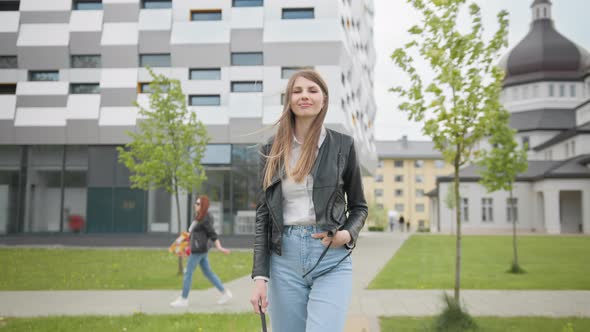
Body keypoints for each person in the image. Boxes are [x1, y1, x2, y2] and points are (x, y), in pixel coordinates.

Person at [250, 69, 368, 332]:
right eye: (297, 90)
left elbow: (359, 206)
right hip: (284, 261)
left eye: (312, 90)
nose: (305, 96)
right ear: (289, 100)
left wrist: (346, 235)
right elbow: (264, 217)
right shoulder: (271, 150)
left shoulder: (343, 145)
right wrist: (260, 278)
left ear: (324, 99)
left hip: (331, 257)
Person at [170, 195, 232, 308]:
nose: (195, 205)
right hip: (199, 249)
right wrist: (184, 247)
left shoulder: (205, 219)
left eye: (198, 204)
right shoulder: (199, 217)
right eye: (195, 203)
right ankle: (225, 293)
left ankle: (184, 299)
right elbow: (192, 234)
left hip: (199, 250)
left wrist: (220, 247)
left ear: (203, 206)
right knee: (208, 273)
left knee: (188, 272)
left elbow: (213, 234)